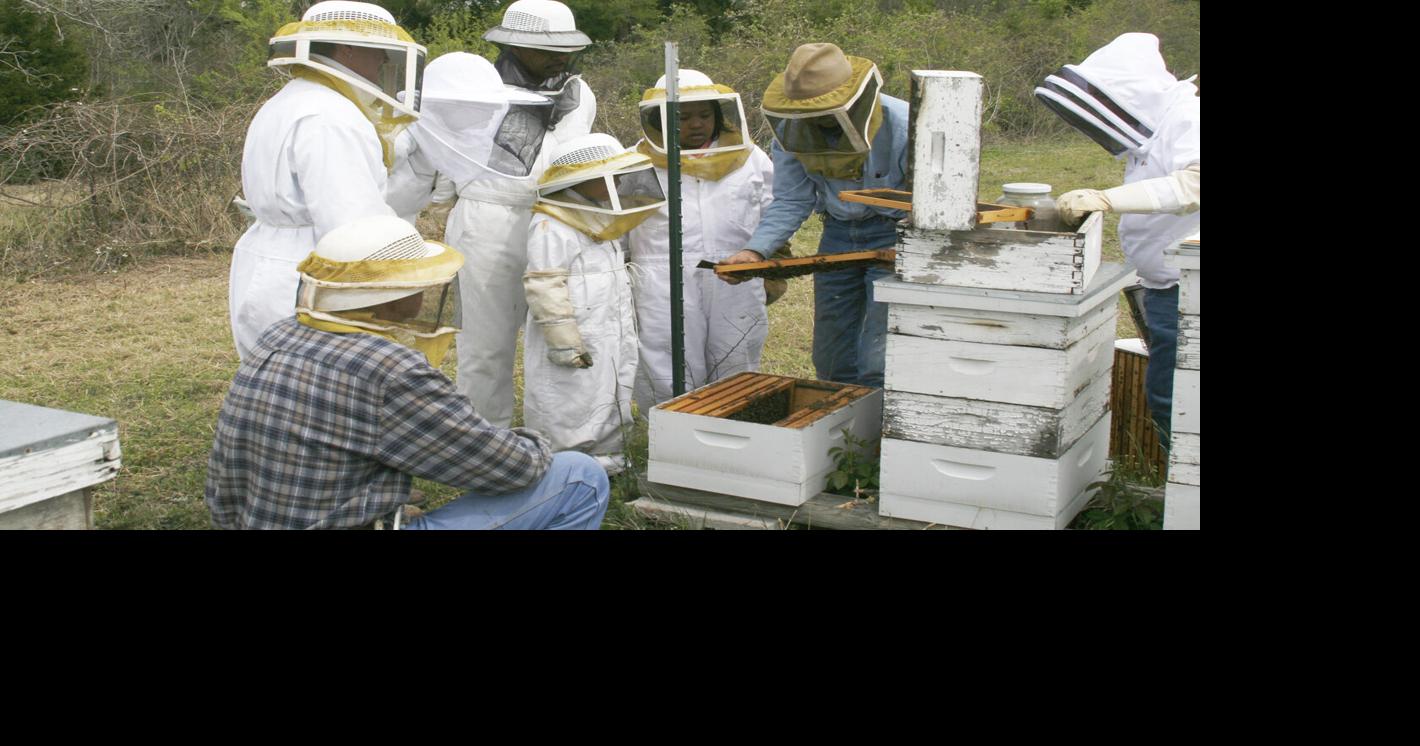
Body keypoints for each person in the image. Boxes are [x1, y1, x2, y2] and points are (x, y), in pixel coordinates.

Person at [205, 215, 611, 530]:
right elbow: (509, 467)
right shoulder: (387, 369)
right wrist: (534, 442)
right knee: (579, 475)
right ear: (389, 296)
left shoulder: (279, 334)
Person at [228, 1, 425, 361]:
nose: (383, 61)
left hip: (265, 261)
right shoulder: (331, 116)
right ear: (348, 48)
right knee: (309, 393)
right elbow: (352, 228)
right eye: (378, 50)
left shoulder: (288, 101)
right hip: (309, 271)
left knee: (268, 382)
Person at [1034, 32, 1200, 446]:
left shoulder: (1187, 117)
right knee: (1173, 399)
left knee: (1178, 402)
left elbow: (1195, 184)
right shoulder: (1156, 133)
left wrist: (1108, 198)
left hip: (1188, 289)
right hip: (1165, 288)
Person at [439, 0, 598, 429]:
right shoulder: (473, 91)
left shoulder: (579, 94)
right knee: (486, 342)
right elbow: (444, 160)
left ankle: (557, 435)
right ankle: (485, 441)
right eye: (546, 49)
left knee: (559, 330)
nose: (559, 58)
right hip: (487, 218)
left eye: (564, 49)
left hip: (556, 220)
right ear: (513, 45)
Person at [719, 43, 908, 389]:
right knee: (831, 354)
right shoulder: (792, 130)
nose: (818, 124)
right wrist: (756, 251)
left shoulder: (906, 124)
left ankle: (878, 437)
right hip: (837, 233)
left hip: (894, 235)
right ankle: (843, 434)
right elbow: (791, 199)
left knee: (879, 355)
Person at [626, 69, 775, 412]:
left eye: (705, 115)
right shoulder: (635, 163)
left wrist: (771, 262)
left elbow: (773, 211)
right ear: (659, 119)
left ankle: (734, 421)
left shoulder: (751, 158)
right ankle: (671, 431)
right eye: (683, 117)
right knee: (665, 354)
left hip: (733, 272)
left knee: (736, 349)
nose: (696, 124)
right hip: (660, 274)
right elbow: (620, 225)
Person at [523, 134, 665, 474]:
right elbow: (544, 284)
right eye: (609, 177)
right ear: (581, 181)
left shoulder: (601, 218)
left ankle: (609, 459)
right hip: (576, 334)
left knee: (611, 386)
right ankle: (562, 463)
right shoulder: (550, 224)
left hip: (608, 327)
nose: (617, 182)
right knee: (568, 397)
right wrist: (564, 341)